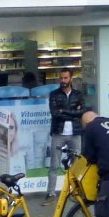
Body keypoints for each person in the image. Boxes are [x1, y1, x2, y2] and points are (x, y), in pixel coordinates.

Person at [42, 67, 85, 205]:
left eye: (66, 78)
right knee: (54, 165)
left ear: (71, 78)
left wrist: (64, 111)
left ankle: (78, 191)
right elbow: (55, 113)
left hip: (75, 133)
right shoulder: (54, 94)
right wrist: (73, 111)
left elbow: (82, 112)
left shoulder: (78, 94)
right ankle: (50, 193)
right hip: (58, 133)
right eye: (61, 78)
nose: (63, 80)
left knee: (77, 164)